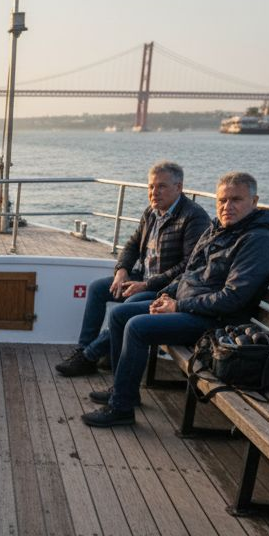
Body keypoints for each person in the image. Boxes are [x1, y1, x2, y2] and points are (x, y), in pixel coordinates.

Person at [83, 171, 269, 427]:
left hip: (218, 322)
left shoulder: (258, 241)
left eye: (236, 200)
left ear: (254, 202)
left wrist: (177, 305)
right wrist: (166, 295)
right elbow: (191, 272)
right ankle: (125, 392)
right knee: (121, 314)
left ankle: (120, 409)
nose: (227, 207)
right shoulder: (218, 230)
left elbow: (232, 299)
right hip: (190, 308)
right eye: (222, 200)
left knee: (137, 326)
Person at [56, 161, 210, 377]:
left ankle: (90, 356)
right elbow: (132, 245)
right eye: (151, 187)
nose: (154, 192)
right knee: (98, 289)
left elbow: (188, 266)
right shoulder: (152, 212)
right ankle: (84, 351)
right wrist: (121, 270)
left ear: (179, 187)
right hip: (143, 277)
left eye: (162, 186)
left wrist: (146, 285)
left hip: (167, 288)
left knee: (129, 305)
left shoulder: (193, 217)